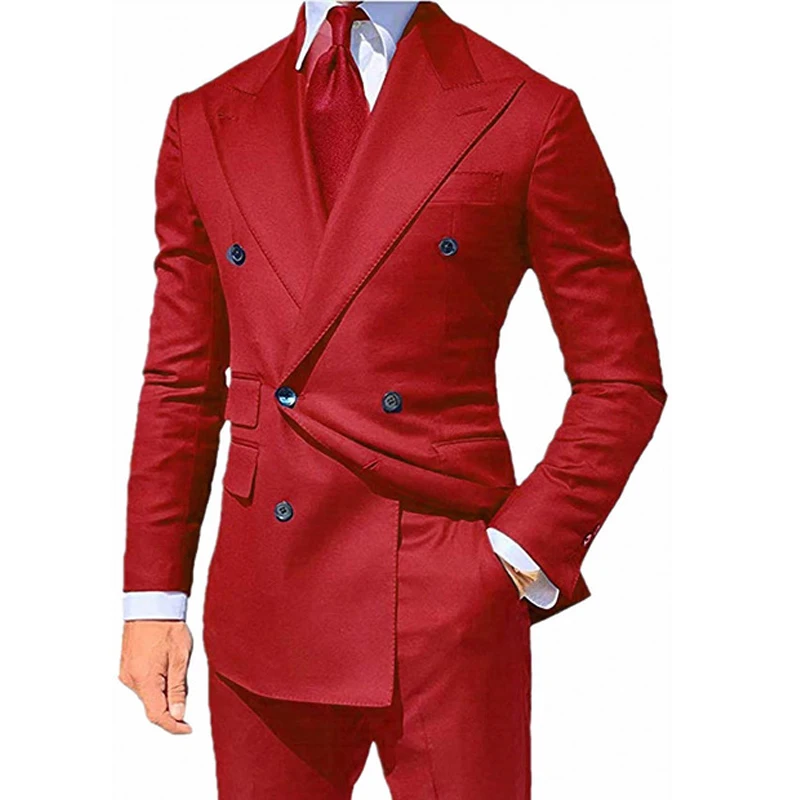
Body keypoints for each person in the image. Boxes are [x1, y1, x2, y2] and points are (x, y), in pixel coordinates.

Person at [119, 2, 667, 797]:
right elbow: (181, 380)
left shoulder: (528, 110)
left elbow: (621, 376)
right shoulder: (205, 119)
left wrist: (515, 557)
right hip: (266, 593)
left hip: (446, 596)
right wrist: (152, 596)